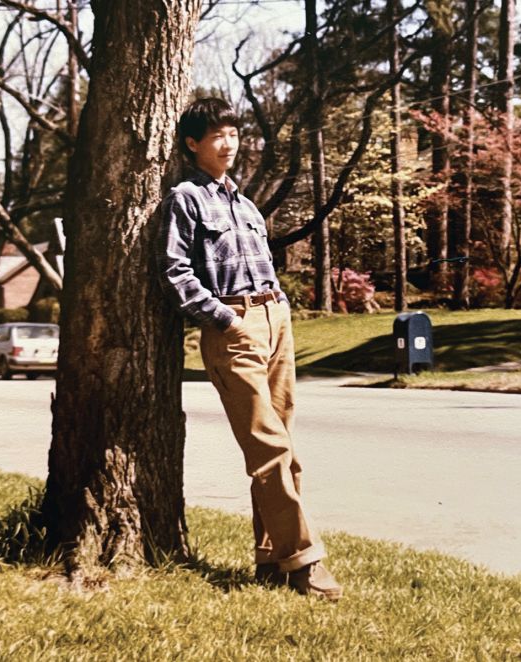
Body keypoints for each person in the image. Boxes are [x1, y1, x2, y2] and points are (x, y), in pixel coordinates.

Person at [157, 97, 342, 601]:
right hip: (233, 329)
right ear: (193, 144)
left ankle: (271, 560)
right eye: (217, 135)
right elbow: (176, 272)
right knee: (269, 449)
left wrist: (278, 309)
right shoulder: (186, 199)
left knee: (287, 452)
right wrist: (224, 319)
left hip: (275, 321)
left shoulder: (245, 204)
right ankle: (305, 562)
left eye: (233, 133)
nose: (228, 143)